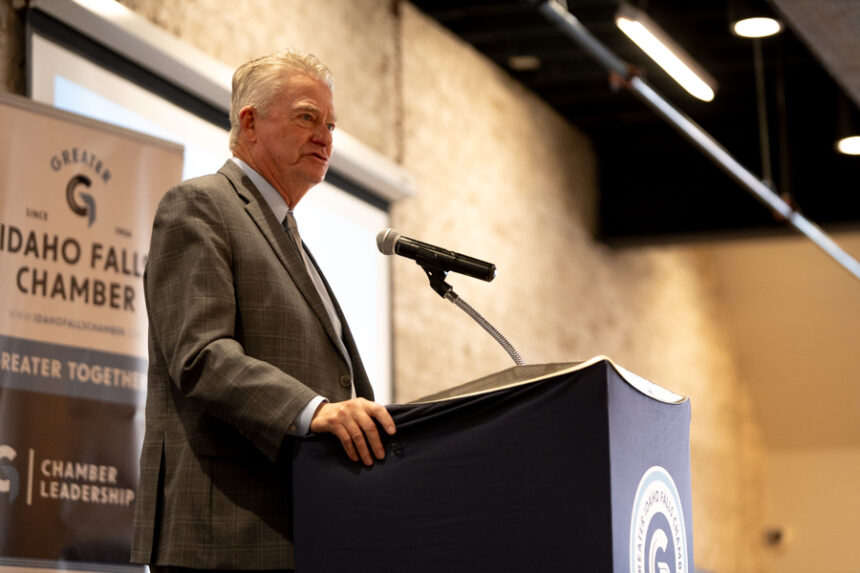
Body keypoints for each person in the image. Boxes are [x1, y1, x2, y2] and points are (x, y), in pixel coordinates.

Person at [130, 49, 396, 572]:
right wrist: (316, 410)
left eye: (331, 125)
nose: (325, 137)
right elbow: (201, 355)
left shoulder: (287, 233)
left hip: (299, 529)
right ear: (249, 122)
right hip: (222, 534)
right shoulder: (200, 206)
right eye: (306, 117)